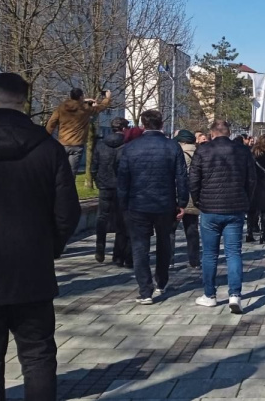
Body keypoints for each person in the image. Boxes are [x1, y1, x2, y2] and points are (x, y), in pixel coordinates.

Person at [0, 73, 80, 401]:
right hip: (32, 271)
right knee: (38, 355)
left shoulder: (48, 147)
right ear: (24, 101)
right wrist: (49, 247)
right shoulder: (49, 149)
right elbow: (68, 213)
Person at [117, 110, 189, 305]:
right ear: (162, 123)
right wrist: (182, 203)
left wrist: (123, 205)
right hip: (164, 204)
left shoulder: (130, 148)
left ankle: (145, 289)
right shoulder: (172, 147)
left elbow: (123, 180)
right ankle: (161, 281)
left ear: (142, 125)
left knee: (140, 247)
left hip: (137, 203)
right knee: (164, 243)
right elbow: (181, 177)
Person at [189, 120, 256, 313]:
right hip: (235, 207)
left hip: (209, 207)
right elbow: (251, 179)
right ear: (229, 132)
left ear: (211, 133)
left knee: (209, 254)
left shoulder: (203, 150)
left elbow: (194, 179)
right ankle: (235, 294)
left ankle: (209, 295)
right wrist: (246, 200)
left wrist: (197, 200)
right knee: (233, 252)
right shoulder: (242, 151)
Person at [90, 117, 130, 265]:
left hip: (105, 185)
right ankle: (117, 254)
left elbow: (94, 167)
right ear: (124, 129)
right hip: (121, 186)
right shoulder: (127, 145)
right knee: (121, 220)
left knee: (102, 217)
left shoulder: (101, 144)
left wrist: (98, 182)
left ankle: (100, 247)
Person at [46, 88, 111, 174]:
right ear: (81, 97)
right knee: (71, 173)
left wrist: (46, 137)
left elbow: (51, 123)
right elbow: (101, 107)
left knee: (59, 170)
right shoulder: (85, 108)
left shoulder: (62, 107)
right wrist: (107, 98)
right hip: (77, 144)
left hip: (62, 143)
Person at [174, 130, 202, 268]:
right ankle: (194, 260)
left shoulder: (179, 154)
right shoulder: (199, 153)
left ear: (182, 141)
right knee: (192, 230)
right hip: (194, 196)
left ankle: (169, 260)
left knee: (170, 231)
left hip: (180, 195)